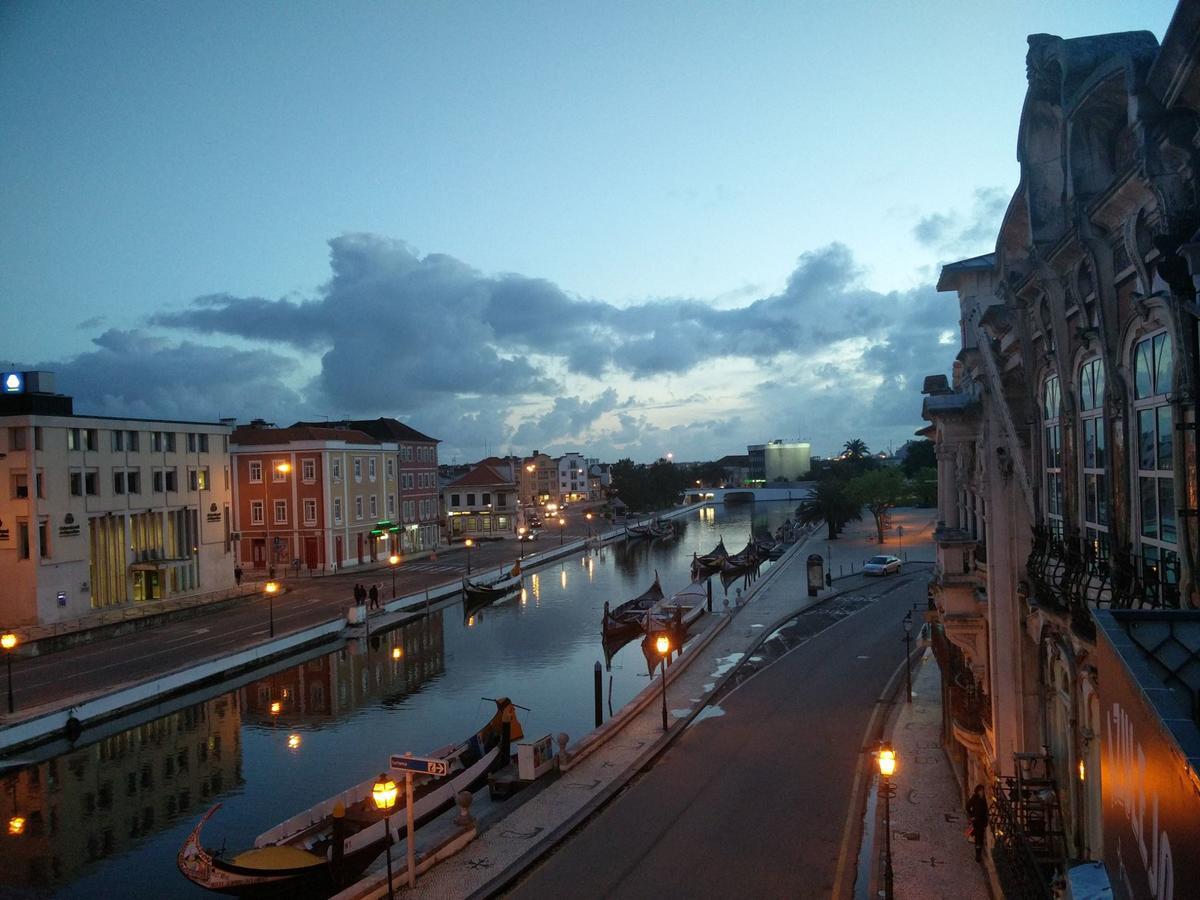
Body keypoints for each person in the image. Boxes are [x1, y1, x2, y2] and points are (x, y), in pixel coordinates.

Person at [966, 785, 989, 862]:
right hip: (976, 821)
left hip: (982, 822)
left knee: (980, 839)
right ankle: (978, 855)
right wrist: (972, 815)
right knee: (978, 838)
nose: (982, 792)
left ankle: (978, 853)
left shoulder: (984, 799)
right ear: (978, 791)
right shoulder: (975, 798)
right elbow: (968, 806)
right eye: (981, 791)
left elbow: (985, 811)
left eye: (983, 791)